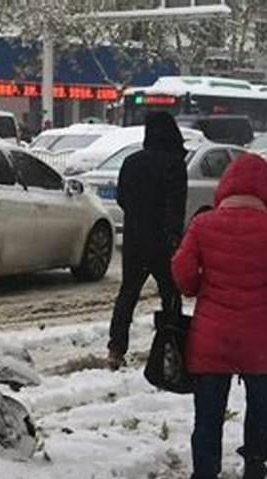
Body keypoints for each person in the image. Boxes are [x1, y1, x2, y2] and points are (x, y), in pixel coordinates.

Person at [171, 153, 267, 479]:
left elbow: (182, 275)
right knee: (261, 406)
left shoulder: (203, 224)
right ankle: (256, 466)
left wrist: (200, 289)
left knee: (208, 414)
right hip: (261, 339)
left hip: (212, 337)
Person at [107, 111, 187, 370]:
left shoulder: (131, 162)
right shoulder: (174, 164)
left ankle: (116, 349)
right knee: (170, 294)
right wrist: (174, 238)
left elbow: (122, 198)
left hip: (134, 238)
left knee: (128, 292)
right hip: (163, 242)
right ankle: (171, 346)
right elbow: (176, 206)